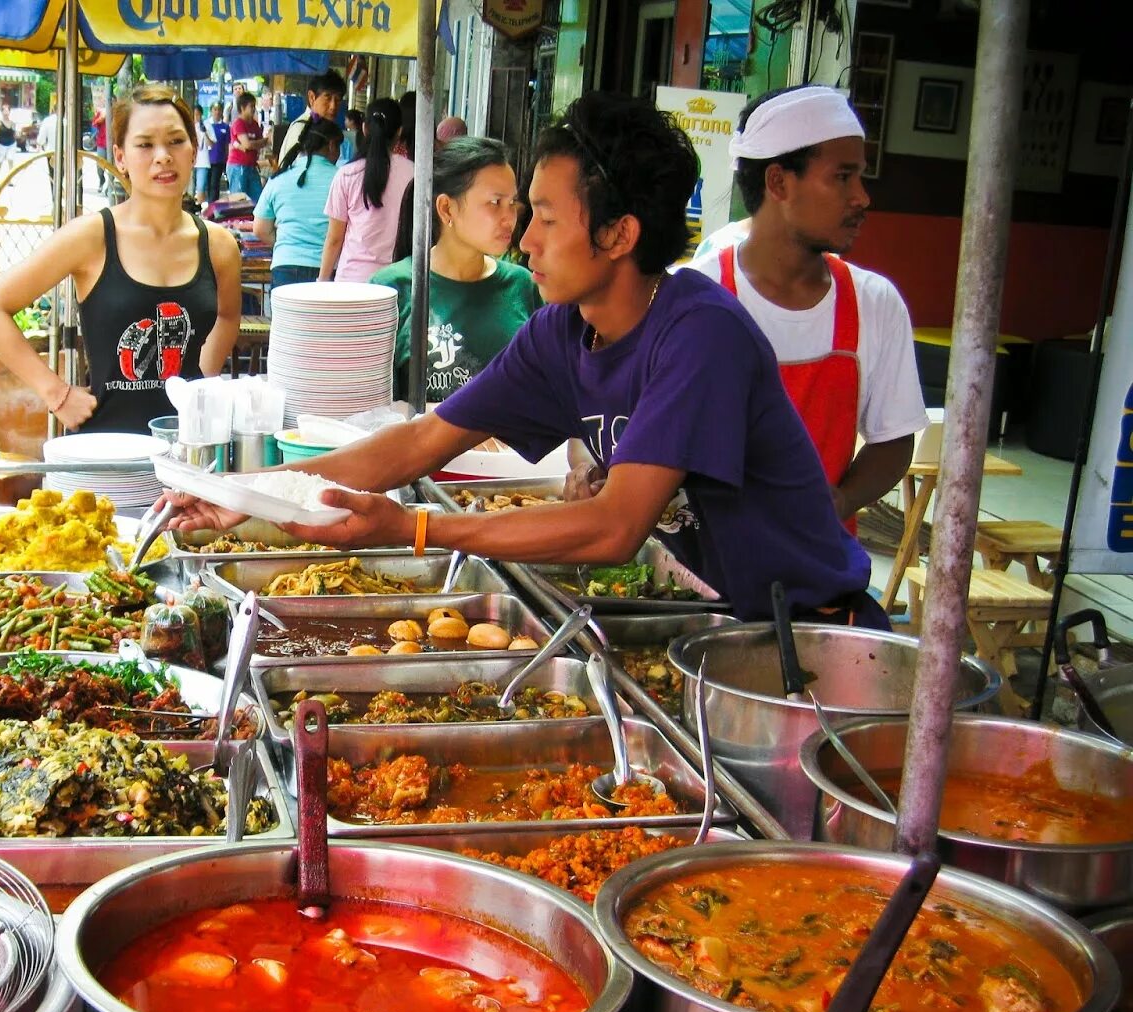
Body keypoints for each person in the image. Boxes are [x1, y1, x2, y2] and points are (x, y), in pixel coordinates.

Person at [165, 92, 878, 627]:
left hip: (807, 636)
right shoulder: (561, 332)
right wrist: (246, 495)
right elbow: (420, 441)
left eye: (545, 216)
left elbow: (613, 526)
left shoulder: (699, 334)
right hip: (717, 625)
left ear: (620, 233)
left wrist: (414, 528)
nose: (523, 239)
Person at [684, 86, 926, 535]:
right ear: (778, 183)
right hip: (695, 570)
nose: (861, 197)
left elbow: (893, 440)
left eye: (860, 178)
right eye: (842, 177)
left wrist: (841, 500)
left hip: (818, 571)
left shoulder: (874, 303)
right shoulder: (695, 295)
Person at [0, 84, 242, 437]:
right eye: (145, 144)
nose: (162, 156)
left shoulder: (218, 245)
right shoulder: (92, 237)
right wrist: (56, 393)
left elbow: (229, 314)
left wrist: (201, 382)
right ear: (120, 157)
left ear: (193, 150)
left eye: (176, 141)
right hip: (105, 455)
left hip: (188, 451)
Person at [372, 136, 540, 407]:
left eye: (512, 203)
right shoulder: (393, 288)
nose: (509, 218)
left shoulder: (522, 285)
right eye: (495, 203)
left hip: (507, 449)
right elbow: (373, 408)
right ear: (446, 208)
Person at [318, 98, 413, 283]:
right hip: (396, 283)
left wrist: (322, 280)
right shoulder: (414, 174)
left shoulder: (346, 174)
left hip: (351, 283)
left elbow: (334, 239)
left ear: (364, 128)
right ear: (399, 132)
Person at [253, 115, 343, 287]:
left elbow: (260, 229)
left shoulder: (278, 178)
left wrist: (288, 243)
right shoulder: (341, 179)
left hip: (285, 266)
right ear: (332, 145)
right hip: (329, 269)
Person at [279, 69, 345, 166]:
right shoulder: (301, 129)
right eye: (328, 97)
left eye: (338, 99)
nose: (333, 106)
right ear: (312, 97)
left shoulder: (327, 129)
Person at [227, 91, 269, 202]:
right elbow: (247, 144)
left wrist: (253, 144)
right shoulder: (238, 124)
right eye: (251, 106)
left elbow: (261, 142)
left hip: (252, 166)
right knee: (238, 199)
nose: (254, 109)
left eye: (254, 106)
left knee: (259, 199)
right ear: (242, 107)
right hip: (238, 166)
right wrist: (254, 144)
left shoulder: (255, 125)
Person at [204, 102, 229, 204]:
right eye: (215, 109)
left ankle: (213, 205)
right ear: (211, 111)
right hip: (206, 159)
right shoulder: (206, 125)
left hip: (218, 159)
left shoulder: (225, 127)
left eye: (219, 109)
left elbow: (227, 145)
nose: (217, 112)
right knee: (207, 184)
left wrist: (226, 159)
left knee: (215, 184)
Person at [193, 110, 216, 202]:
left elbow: (211, 144)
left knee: (200, 187)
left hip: (202, 161)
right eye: (194, 115)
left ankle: (199, 207)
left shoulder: (206, 125)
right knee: (190, 189)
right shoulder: (188, 126)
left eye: (197, 114)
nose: (195, 117)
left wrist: (204, 133)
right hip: (190, 161)